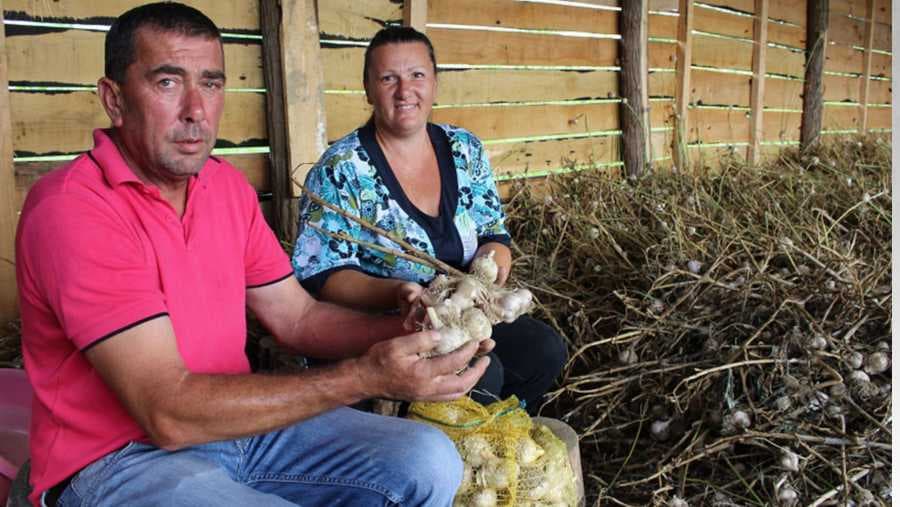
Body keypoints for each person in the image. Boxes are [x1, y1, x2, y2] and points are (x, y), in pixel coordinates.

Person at [14, 4, 491, 506]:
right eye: (167, 83)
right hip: (120, 458)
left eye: (211, 84)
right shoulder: (74, 209)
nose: (196, 110)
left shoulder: (225, 188)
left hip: (238, 425)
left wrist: (412, 330)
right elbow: (166, 412)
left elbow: (298, 318)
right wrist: (364, 376)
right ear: (114, 99)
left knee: (429, 459)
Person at [292, 26, 567, 414]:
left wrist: (486, 276)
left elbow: (494, 233)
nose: (405, 91)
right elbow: (323, 274)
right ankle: (430, 439)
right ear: (368, 89)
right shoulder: (341, 169)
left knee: (544, 350)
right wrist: (398, 292)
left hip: (466, 313)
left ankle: (490, 433)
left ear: (435, 82)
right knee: (483, 375)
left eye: (417, 75)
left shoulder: (464, 149)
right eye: (388, 79)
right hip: (390, 326)